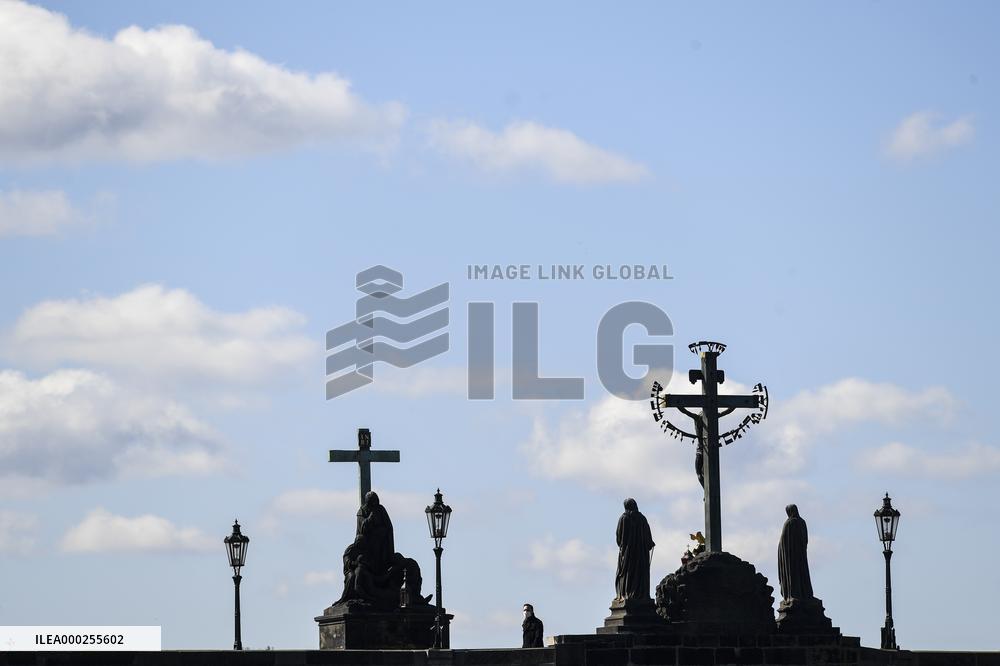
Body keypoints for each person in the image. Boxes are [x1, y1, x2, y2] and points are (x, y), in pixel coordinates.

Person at [614, 498, 655, 601]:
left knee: (627, 573)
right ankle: (641, 594)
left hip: (628, 553)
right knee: (640, 573)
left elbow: (619, 539)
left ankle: (626, 594)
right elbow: (649, 540)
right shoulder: (642, 519)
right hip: (641, 554)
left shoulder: (624, 518)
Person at [777, 503, 814, 603]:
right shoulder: (802, 522)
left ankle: (793, 594)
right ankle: (803, 594)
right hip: (800, 555)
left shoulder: (789, 523)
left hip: (791, 557)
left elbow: (783, 544)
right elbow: (805, 540)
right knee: (801, 575)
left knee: (794, 575)